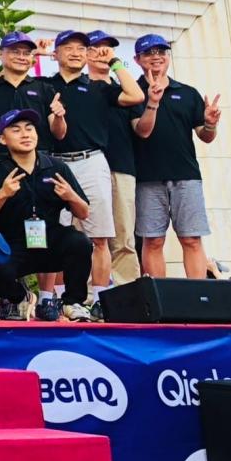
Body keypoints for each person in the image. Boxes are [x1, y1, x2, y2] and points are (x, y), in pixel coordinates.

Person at [44, 29, 142, 306]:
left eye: (81, 48)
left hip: (92, 161)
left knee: (99, 236)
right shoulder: (45, 86)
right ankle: (59, 299)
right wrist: (38, 53)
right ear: (56, 54)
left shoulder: (98, 87)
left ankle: (99, 300)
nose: (76, 53)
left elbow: (135, 95)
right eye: (68, 48)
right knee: (56, 235)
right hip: (56, 163)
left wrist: (115, 62)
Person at [0, 109, 94, 322]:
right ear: (3, 139)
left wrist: (71, 196)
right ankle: (21, 297)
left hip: (49, 240)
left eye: (29, 128)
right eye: (16, 130)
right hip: (13, 243)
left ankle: (72, 303)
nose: (25, 134)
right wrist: (2, 194)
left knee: (79, 242)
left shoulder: (57, 167)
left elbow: (83, 212)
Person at [128, 35, 221, 279]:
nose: (156, 57)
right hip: (147, 177)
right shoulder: (132, 92)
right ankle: (158, 296)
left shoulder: (188, 93)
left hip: (186, 176)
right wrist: (152, 101)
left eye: (161, 51)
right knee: (153, 240)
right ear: (137, 59)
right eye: (149, 53)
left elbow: (205, 136)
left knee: (192, 239)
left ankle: (199, 294)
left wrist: (210, 124)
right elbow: (142, 130)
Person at [87, 31, 140, 284]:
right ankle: (89, 293)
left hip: (121, 166)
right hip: (87, 167)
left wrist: (115, 63)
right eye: (95, 47)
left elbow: (137, 97)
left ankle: (127, 291)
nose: (102, 52)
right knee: (89, 236)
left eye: (107, 48)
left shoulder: (123, 89)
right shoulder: (80, 88)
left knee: (124, 236)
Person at [0, 32, 54, 157]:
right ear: (0, 54)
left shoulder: (44, 87)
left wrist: (59, 116)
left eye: (26, 53)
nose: (21, 57)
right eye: (15, 52)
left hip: (39, 158)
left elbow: (59, 132)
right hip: (1, 158)